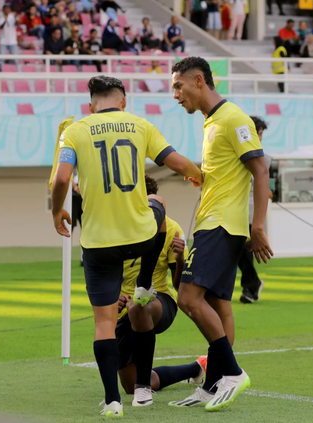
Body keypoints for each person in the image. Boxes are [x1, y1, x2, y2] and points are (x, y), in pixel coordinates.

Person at [51, 75, 202, 417]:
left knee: (102, 323)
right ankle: (146, 282)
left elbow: (61, 179)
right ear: (123, 101)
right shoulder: (139, 125)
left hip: (98, 241)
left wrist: (56, 209)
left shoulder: (75, 130)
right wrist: (200, 178)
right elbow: (175, 161)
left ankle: (112, 402)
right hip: (140, 234)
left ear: (91, 105)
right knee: (157, 205)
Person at [169, 57, 273, 411]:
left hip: (221, 224)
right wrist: (202, 175)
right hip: (211, 222)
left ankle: (231, 371)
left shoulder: (233, 119)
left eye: (178, 86)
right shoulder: (211, 121)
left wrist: (257, 226)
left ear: (198, 80)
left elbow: (260, 171)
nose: (174, 95)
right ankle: (213, 383)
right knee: (215, 304)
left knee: (188, 298)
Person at [117, 174, 208, 403]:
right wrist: (114, 298)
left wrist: (179, 259)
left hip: (160, 302)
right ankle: (195, 369)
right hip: (122, 309)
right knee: (129, 384)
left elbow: (179, 287)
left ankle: (143, 390)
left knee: (140, 306)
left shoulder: (171, 229)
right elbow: (105, 277)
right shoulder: (117, 228)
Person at [239, 117, 273, 304]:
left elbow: (270, 186)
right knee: (238, 250)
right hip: (234, 210)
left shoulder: (266, 160)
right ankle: (252, 284)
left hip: (253, 213)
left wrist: (268, 191)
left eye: (260, 134)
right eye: (257, 133)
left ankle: (250, 287)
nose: (259, 138)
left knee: (243, 248)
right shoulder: (235, 155)